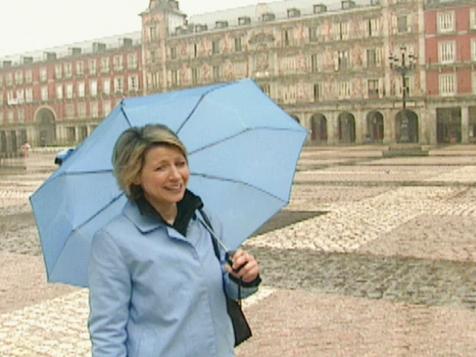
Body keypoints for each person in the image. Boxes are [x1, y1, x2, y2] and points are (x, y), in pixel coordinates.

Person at [88, 124, 261, 357]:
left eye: (180, 163)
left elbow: (225, 288)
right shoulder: (113, 241)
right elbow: (107, 332)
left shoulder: (203, 220)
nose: (176, 176)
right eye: (161, 167)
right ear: (135, 176)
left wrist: (242, 277)